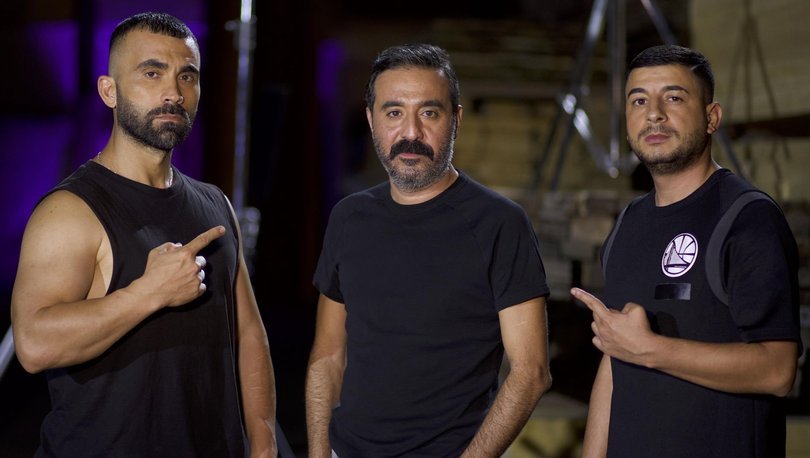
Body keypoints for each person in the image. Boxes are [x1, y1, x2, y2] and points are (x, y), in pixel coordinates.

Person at [10, 12, 276, 457]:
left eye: (187, 76)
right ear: (109, 91)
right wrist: (148, 293)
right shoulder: (69, 211)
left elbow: (249, 334)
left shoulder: (215, 203)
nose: (174, 92)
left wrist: (264, 442)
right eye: (152, 73)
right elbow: (34, 345)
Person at [305, 43, 552, 457]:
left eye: (429, 113)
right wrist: (318, 453)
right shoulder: (349, 217)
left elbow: (532, 372)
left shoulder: (500, 223)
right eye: (394, 113)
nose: (411, 134)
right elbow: (327, 356)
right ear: (371, 119)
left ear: (456, 120)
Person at [573, 44, 802, 457]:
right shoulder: (628, 224)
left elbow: (778, 370)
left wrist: (651, 350)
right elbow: (616, 356)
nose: (654, 114)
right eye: (639, 101)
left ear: (712, 117)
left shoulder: (748, 218)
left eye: (674, 98)